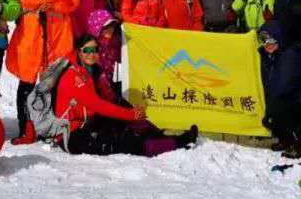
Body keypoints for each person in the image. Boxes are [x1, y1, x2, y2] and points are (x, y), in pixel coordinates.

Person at [57, 35, 198, 156]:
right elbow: (97, 105)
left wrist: (130, 112)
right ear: (78, 52)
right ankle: (176, 143)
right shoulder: (74, 76)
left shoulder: (91, 71)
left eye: (95, 50)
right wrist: (130, 114)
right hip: (71, 135)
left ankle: (160, 136)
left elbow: (107, 100)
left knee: (121, 121)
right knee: (121, 144)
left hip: (87, 124)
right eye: (87, 50)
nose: (92, 54)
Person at [7, 0, 80, 144]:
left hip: (59, 35)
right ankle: (26, 128)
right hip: (32, 34)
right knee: (27, 82)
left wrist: (53, 2)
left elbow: (73, 2)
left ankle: (52, 127)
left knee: (54, 83)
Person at [257, 20, 301, 157]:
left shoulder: (289, 54)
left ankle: (299, 144)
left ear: (279, 38)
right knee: (274, 112)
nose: (267, 44)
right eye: (264, 40)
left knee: (281, 108)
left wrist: (272, 107)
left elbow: (284, 85)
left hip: (295, 101)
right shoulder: (269, 56)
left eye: (271, 39)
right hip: (279, 97)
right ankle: (285, 140)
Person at [86, 9, 123, 100]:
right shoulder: (93, 46)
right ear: (97, 29)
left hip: (116, 75)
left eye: (112, 26)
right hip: (103, 80)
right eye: (106, 27)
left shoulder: (116, 39)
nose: (111, 29)